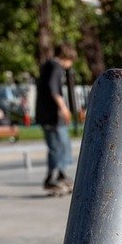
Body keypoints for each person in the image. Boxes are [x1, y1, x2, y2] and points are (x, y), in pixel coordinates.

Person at [36, 43, 77, 197]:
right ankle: (52, 177)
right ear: (68, 58)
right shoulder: (56, 67)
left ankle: (60, 174)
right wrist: (64, 108)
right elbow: (53, 89)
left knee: (60, 144)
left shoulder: (47, 65)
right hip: (52, 116)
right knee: (59, 145)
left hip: (46, 115)